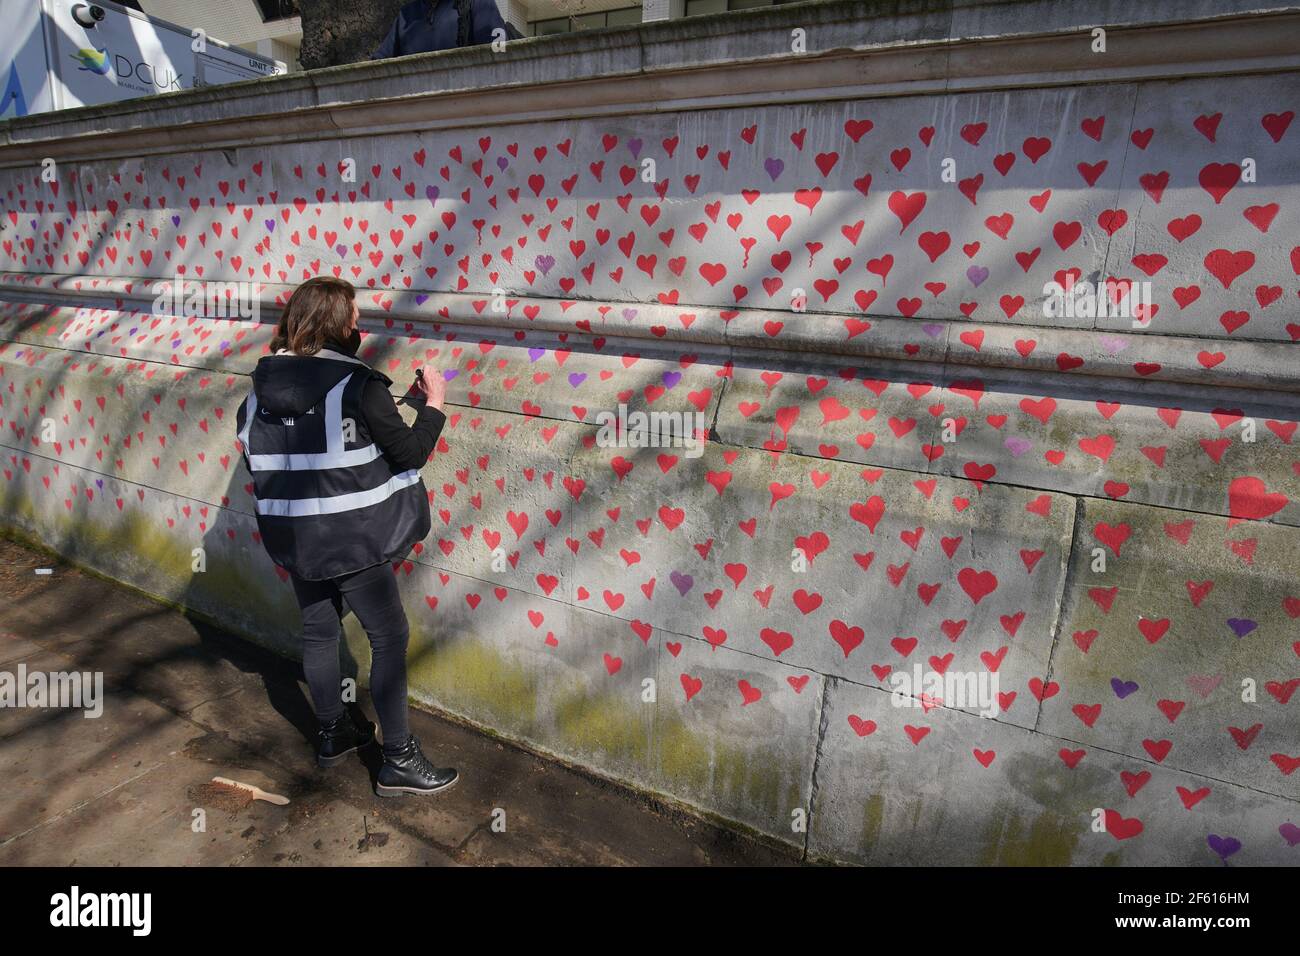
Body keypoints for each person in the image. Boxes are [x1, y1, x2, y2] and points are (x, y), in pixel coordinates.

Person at [235, 276, 458, 798]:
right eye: (354, 318)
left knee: (318, 632)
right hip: (354, 540)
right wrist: (435, 404)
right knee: (389, 638)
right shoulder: (358, 385)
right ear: (337, 325)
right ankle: (398, 759)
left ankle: (334, 735)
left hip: (296, 541)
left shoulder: (259, 388)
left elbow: (263, 451)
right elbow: (409, 453)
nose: (360, 326)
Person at [369, 0, 520, 59]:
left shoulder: (476, 3)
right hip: (417, 115)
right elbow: (378, 62)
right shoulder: (407, 14)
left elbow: (498, 52)